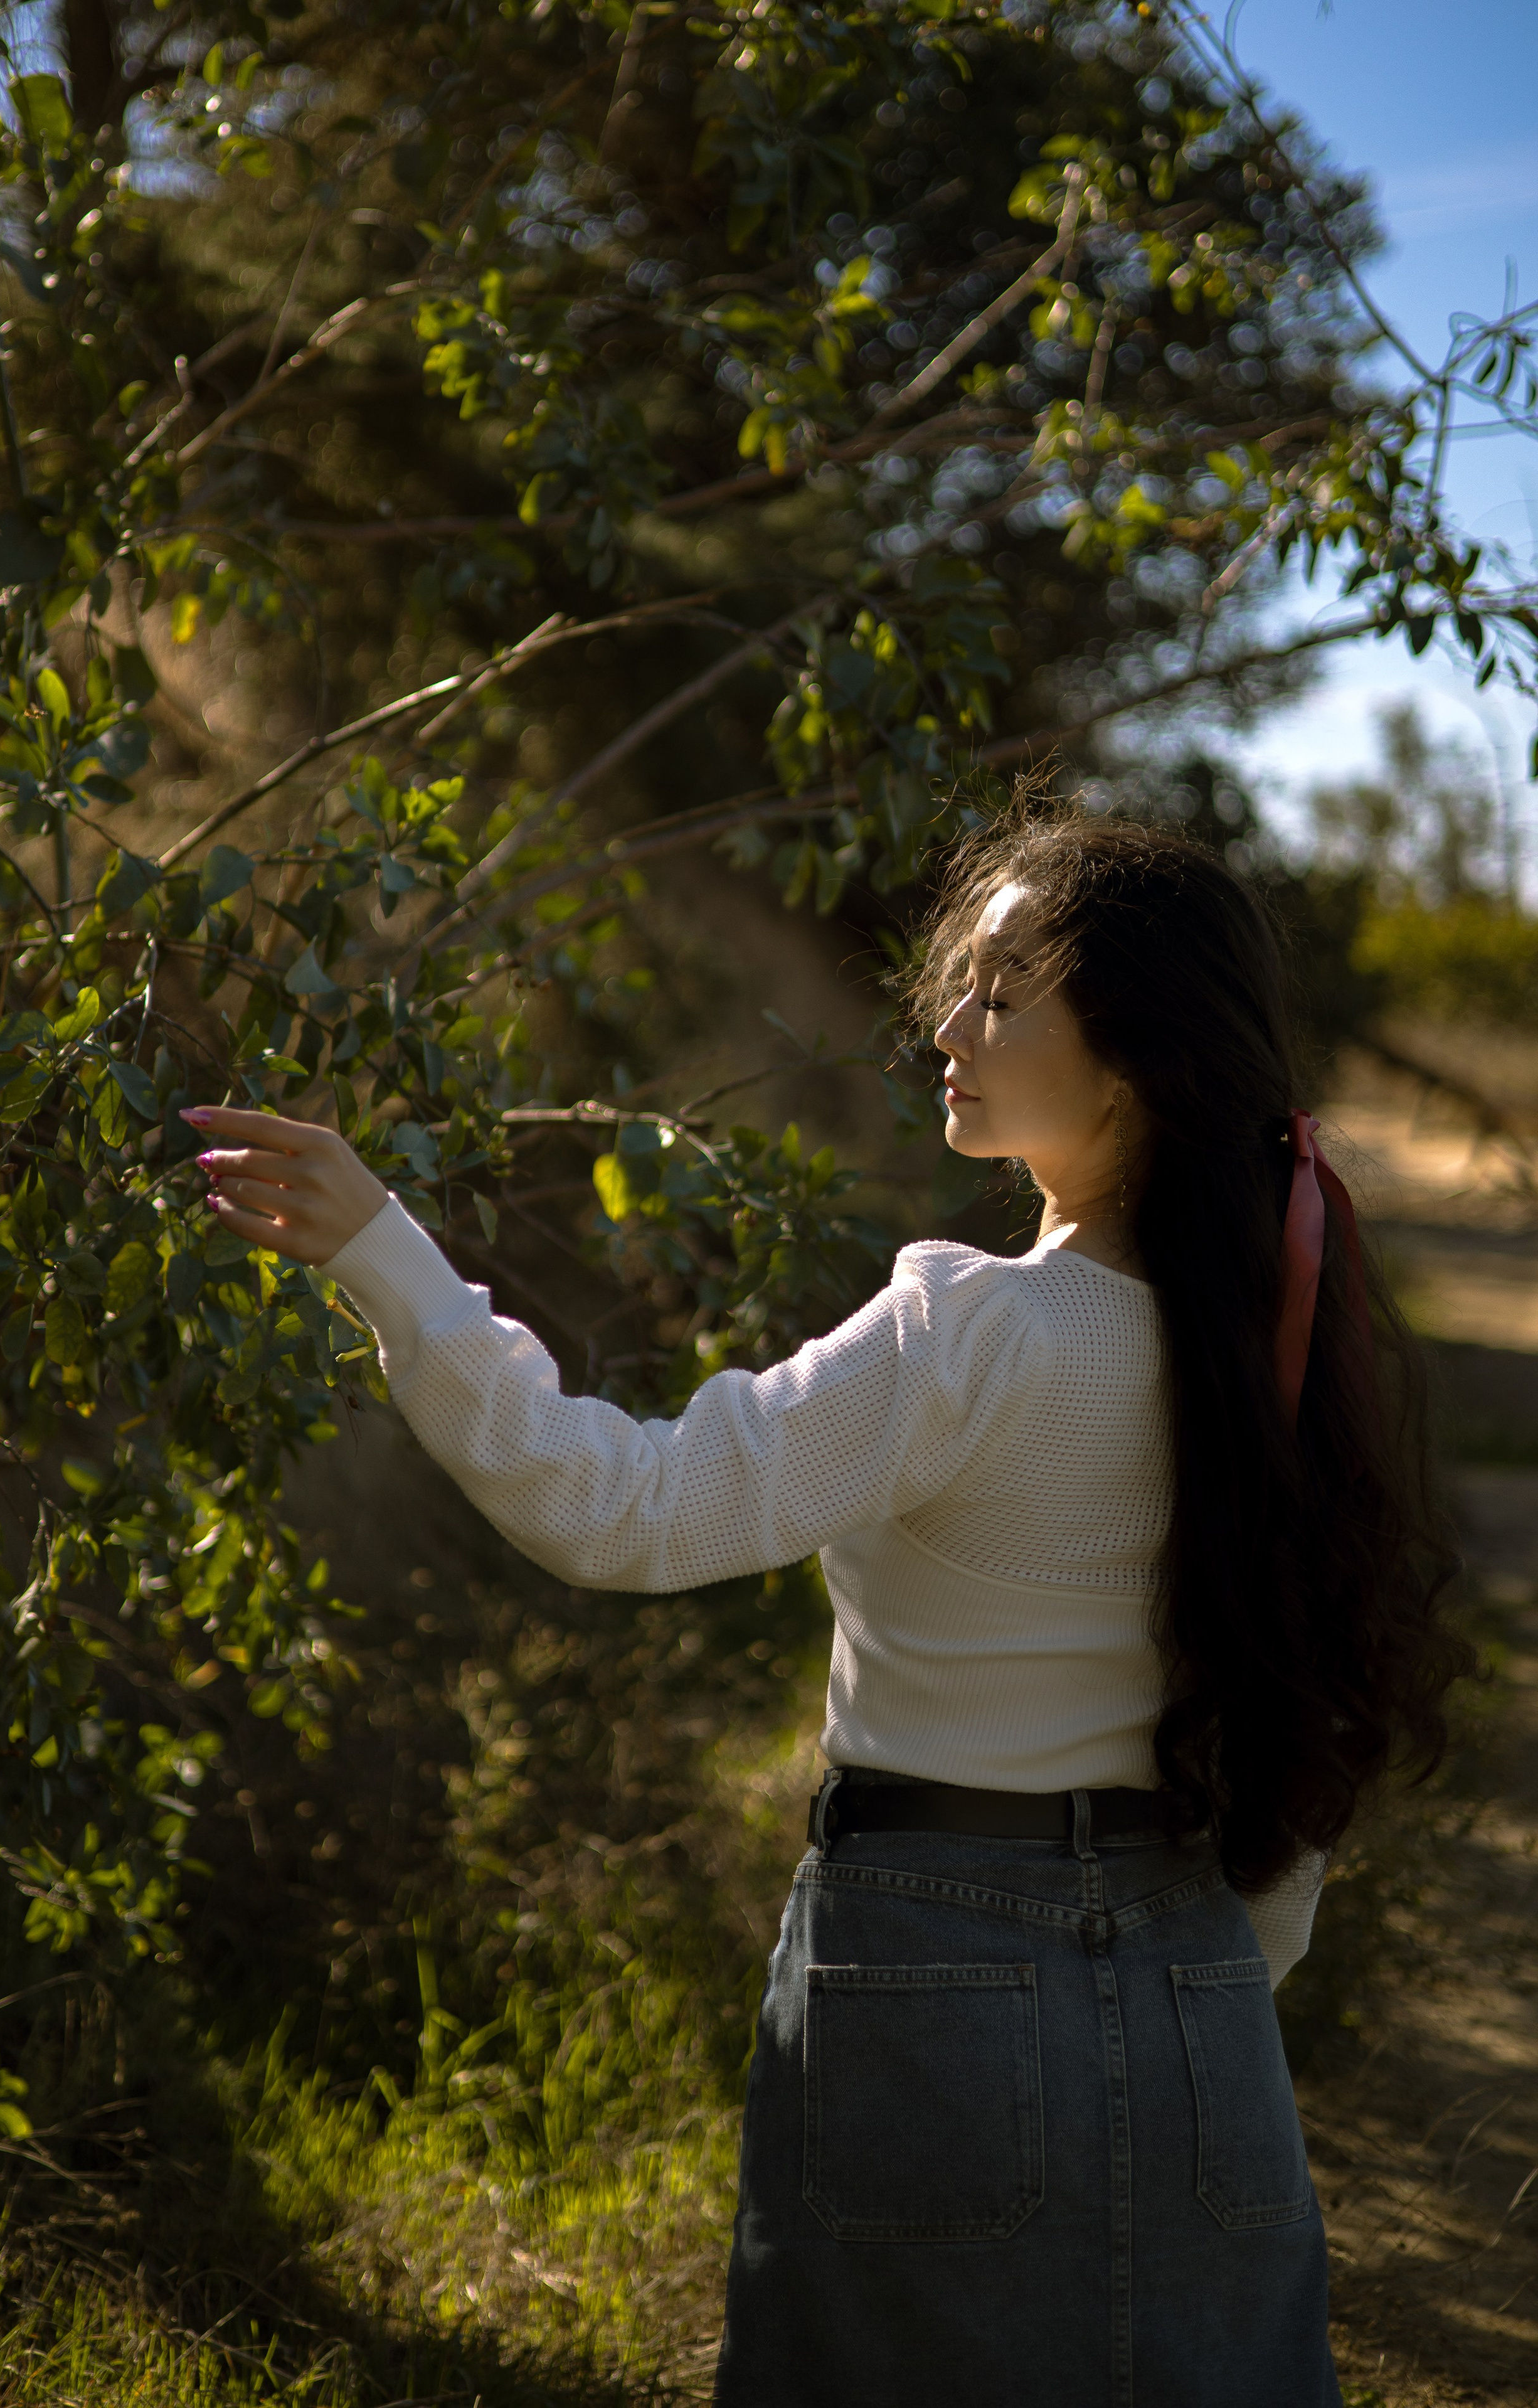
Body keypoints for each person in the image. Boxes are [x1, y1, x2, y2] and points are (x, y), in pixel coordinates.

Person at [182, 806, 1467, 2408]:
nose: (949, 1024)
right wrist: (1190, 1968)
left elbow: (621, 1508)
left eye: (1004, 993)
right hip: (1200, 1993)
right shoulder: (1264, 1355)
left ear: (1131, 1053)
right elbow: (1293, 1735)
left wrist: (388, 1254)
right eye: (962, 982)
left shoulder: (972, 1330)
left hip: (934, 1974)